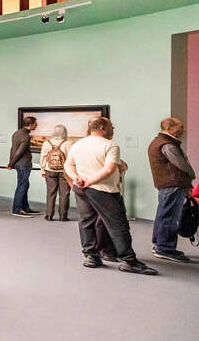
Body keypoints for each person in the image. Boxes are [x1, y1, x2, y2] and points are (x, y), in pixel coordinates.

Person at [64, 117, 157, 274]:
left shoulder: (78, 144)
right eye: (111, 126)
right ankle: (129, 261)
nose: (113, 129)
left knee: (86, 222)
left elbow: (68, 164)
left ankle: (91, 256)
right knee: (118, 225)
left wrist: (76, 178)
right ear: (102, 128)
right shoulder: (110, 145)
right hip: (103, 190)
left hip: (81, 189)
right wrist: (89, 181)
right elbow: (109, 169)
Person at [148, 117, 196, 263]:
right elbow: (181, 165)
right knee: (170, 217)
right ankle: (165, 249)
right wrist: (192, 175)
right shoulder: (168, 145)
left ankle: (159, 244)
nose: (182, 131)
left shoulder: (158, 142)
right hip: (173, 184)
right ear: (169, 128)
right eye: (179, 128)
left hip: (167, 185)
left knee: (163, 215)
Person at [40, 125, 74, 221]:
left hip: (49, 170)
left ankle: (49, 215)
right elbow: (71, 159)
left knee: (50, 193)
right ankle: (63, 216)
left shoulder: (47, 143)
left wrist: (42, 170)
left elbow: (43, 157)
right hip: (64, 171)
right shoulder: (68, 143)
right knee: (64, 194)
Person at [8, 116, 40, 217]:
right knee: (22, 186)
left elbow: (13, 149)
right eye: (35, 124)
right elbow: (19, 152)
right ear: (30, 125)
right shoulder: (26, 136)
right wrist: (11, 164)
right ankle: (17, 209)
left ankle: (25, 208)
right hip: (23, 164)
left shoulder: (17, 133)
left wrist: (11, 162)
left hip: (19, 164)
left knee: (24, 185)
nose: (36, 125)